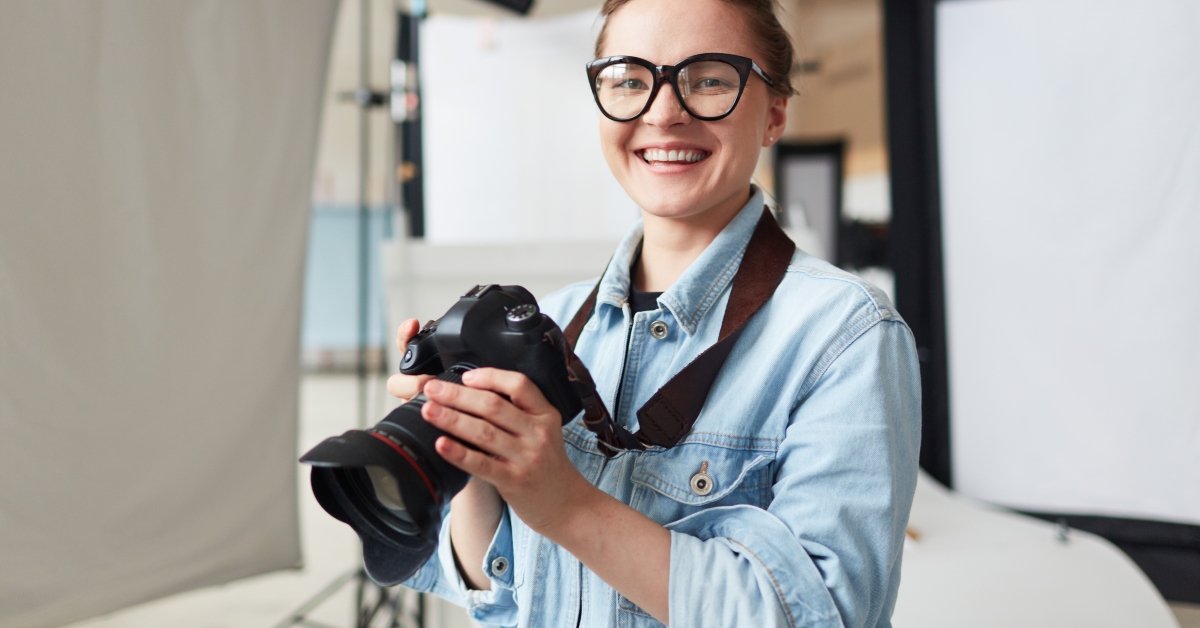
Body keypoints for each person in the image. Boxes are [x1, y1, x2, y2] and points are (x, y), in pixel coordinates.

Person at [388, 0, 921, 626]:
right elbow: (502, 599)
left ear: (775, 112)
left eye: (711, 79)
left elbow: (823, 618)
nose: (663, 112)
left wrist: (568, 506)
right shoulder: (552, 323)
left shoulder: (844, 336)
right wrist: (472, 449)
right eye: (630, 80)